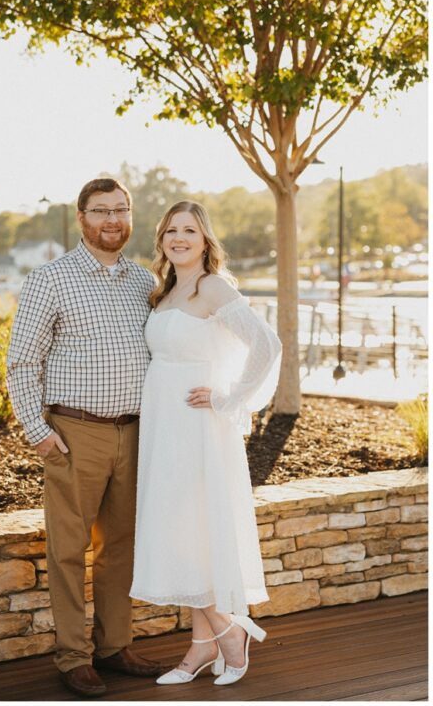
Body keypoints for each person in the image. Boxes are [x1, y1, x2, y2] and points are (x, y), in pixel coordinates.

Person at [6, 178, 168, 698]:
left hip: (135, 432)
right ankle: (74, 657)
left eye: (121, 210)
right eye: (102, 211)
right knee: (70, 550)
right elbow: (21, 362)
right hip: (74, 434)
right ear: (81, 218)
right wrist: (38, 433)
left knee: (121, 546)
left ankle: (114, 646)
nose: (113, 220)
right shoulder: (50, 279)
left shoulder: (144, 282)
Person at [130, 201, 281, 687]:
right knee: (182, 529)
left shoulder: (214, 287)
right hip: (164, 425)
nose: (179, 238)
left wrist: (229, 396)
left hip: (198, 427)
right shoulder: (166, 291)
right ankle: (200, 646)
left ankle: (228, 632)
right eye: (171, 230)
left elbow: (266, 345)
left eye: (189, 230)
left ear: (204, 239)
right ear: (162, 239)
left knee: (193, 526)